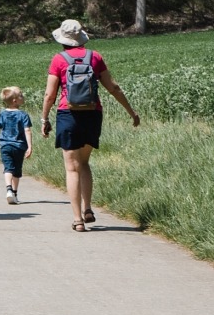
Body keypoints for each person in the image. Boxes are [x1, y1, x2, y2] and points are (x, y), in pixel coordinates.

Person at [39, 19, 141, 231]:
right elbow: (113, 87)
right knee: (84, 162)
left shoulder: (58, 60)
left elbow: (50, 94)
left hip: (68, 114)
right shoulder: (95, 57)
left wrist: (44, 118)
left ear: (62, 40)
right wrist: (132, 112)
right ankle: (88, 209)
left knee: (71, 168)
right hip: (93, 114)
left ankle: (77, 220)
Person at [0, 86, 33, 204]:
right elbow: (27, 130)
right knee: (17, 169)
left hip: (5, 145)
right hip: (19, 146)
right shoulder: (23, 115)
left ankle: (9, 190)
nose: (23, 97)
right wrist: (30, 146)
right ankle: (14, 192)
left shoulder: (2, 114)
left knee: (8, 168)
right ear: (15, 100)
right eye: (21, 95)